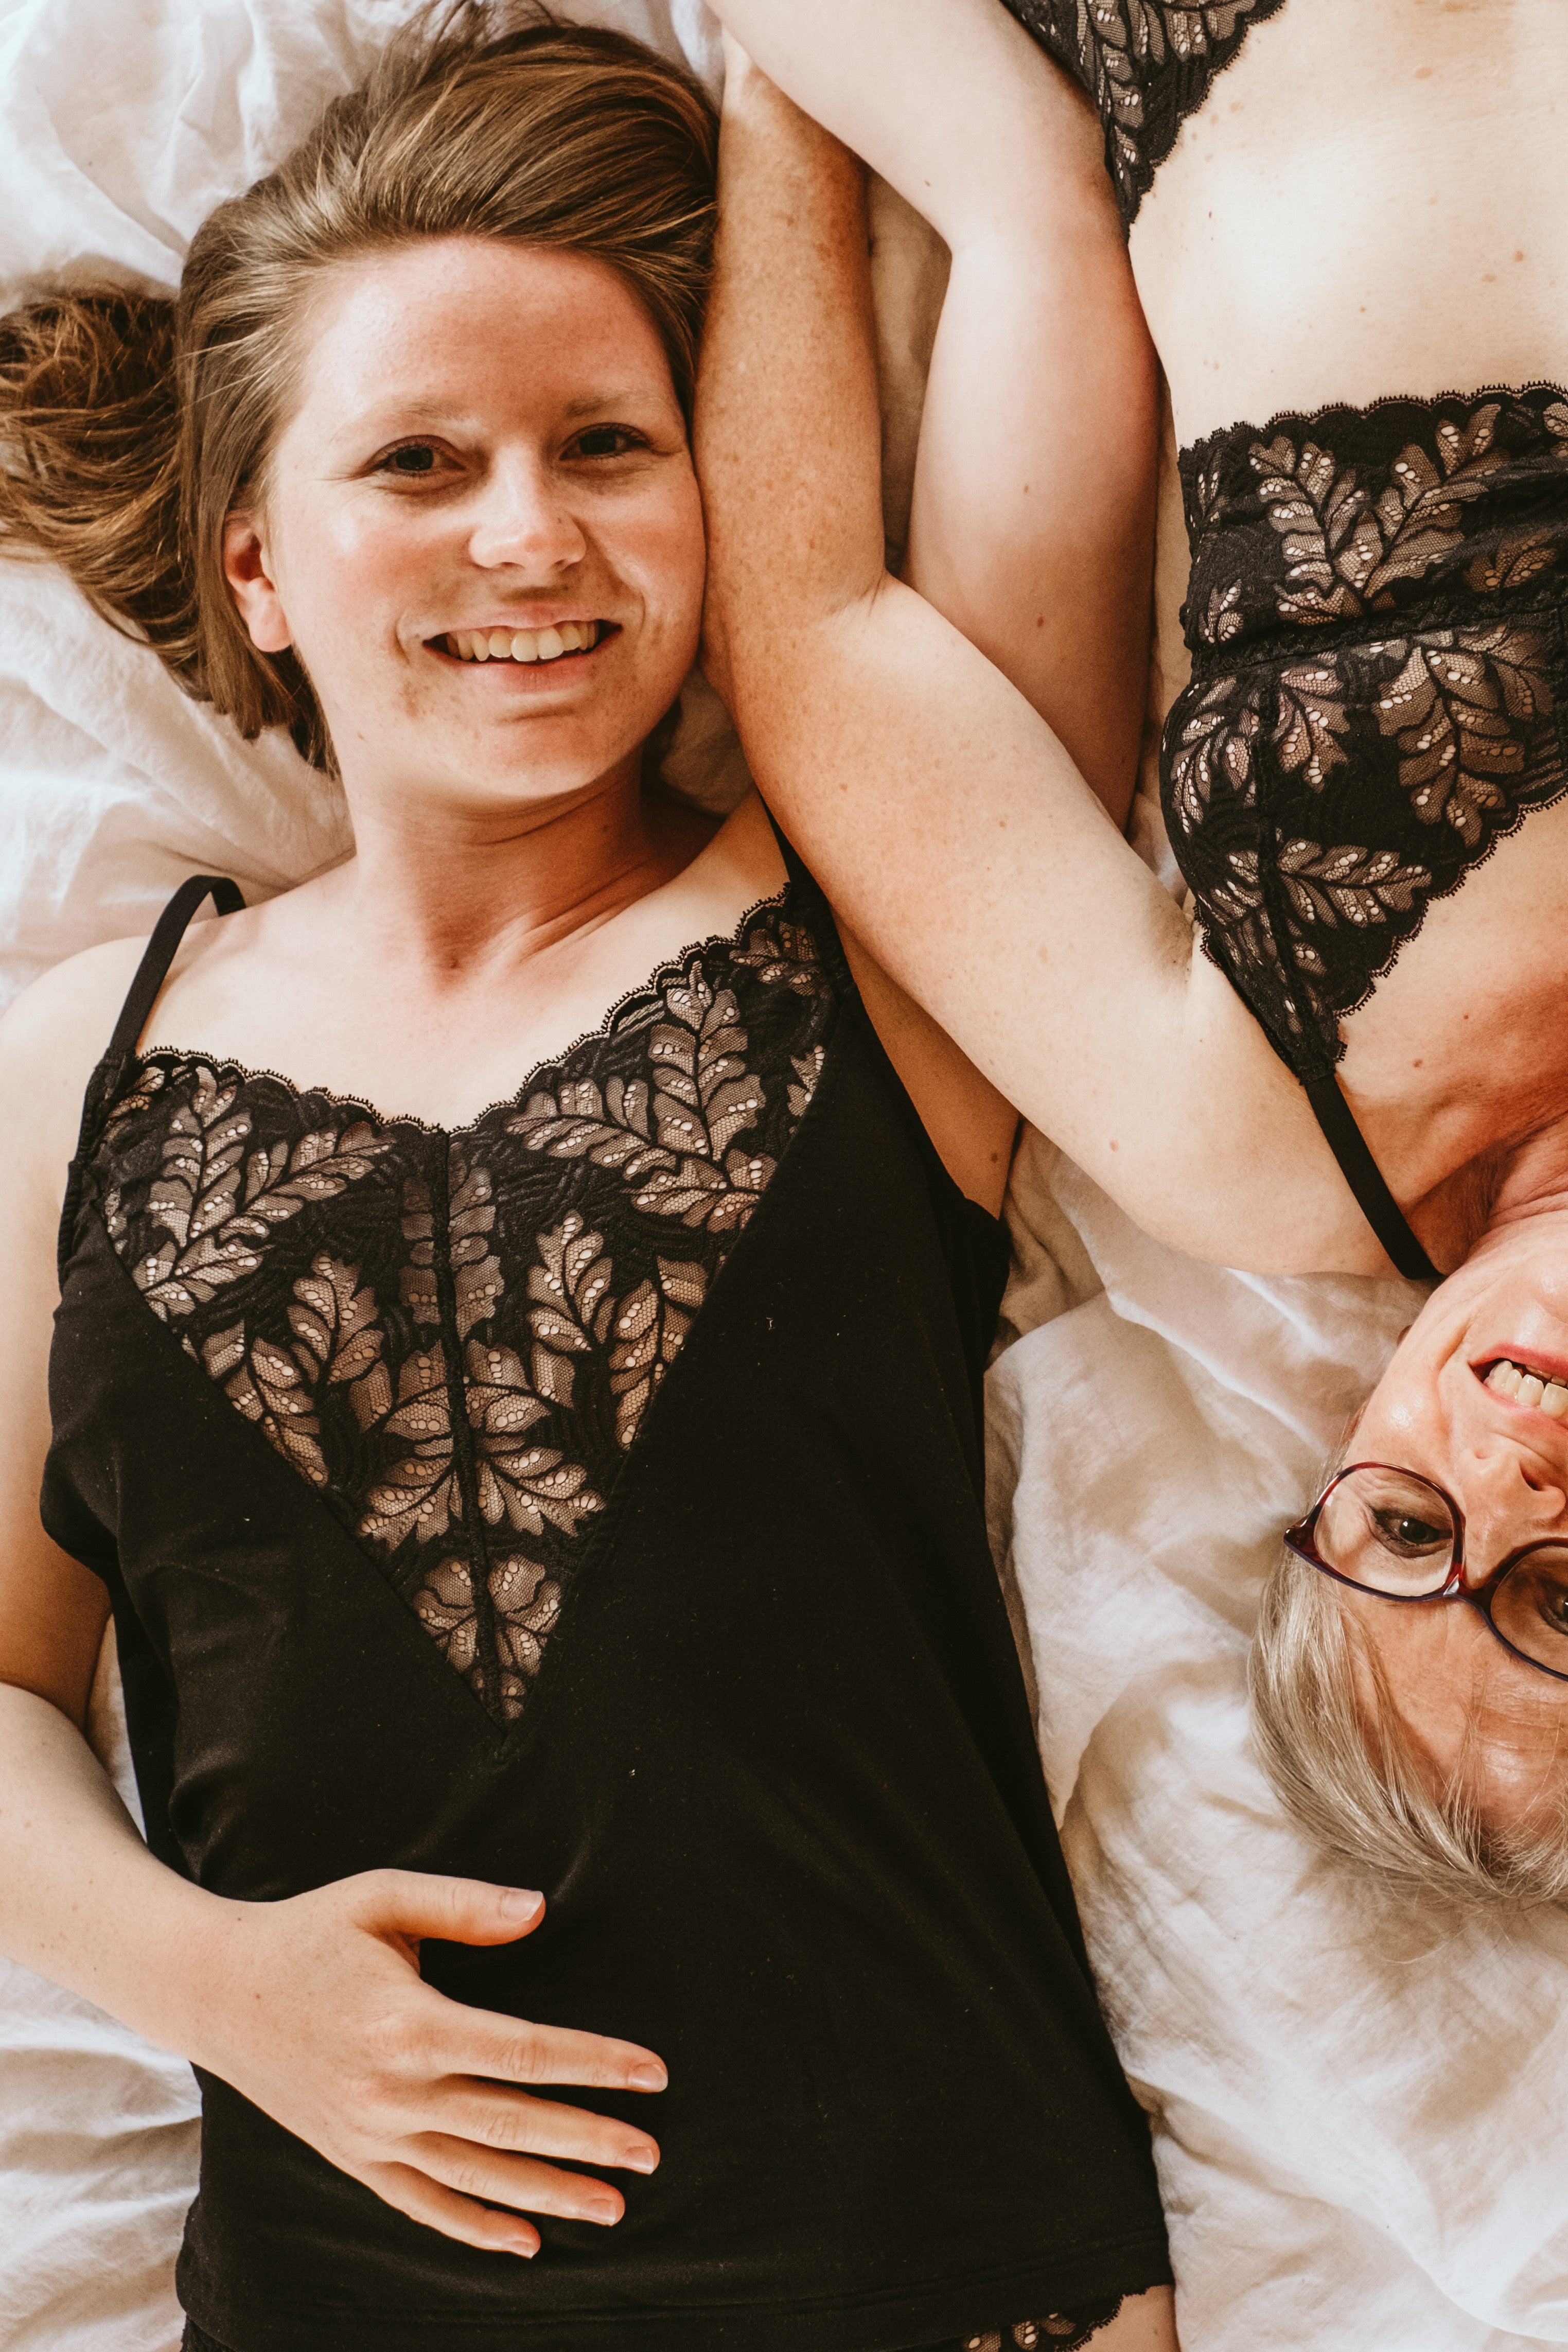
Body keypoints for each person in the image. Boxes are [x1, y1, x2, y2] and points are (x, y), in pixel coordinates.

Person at [0, 6, 1179, 2347]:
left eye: (609, 444)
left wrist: (772, 91)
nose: (527, 530)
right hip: (354, 2299)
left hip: (932, 2278)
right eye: (419, 461)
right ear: (255, 563)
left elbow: (1045, 221)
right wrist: (218, 1983)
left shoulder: (895, 927)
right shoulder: (77, 1065)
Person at [694, 0, 1568, 1905]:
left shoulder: (1246, 1129)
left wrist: (779, 88)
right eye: (1562, 1596)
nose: (1506, 1479)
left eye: (1408, 1528)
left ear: (1337, 1467)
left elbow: (829, 652)